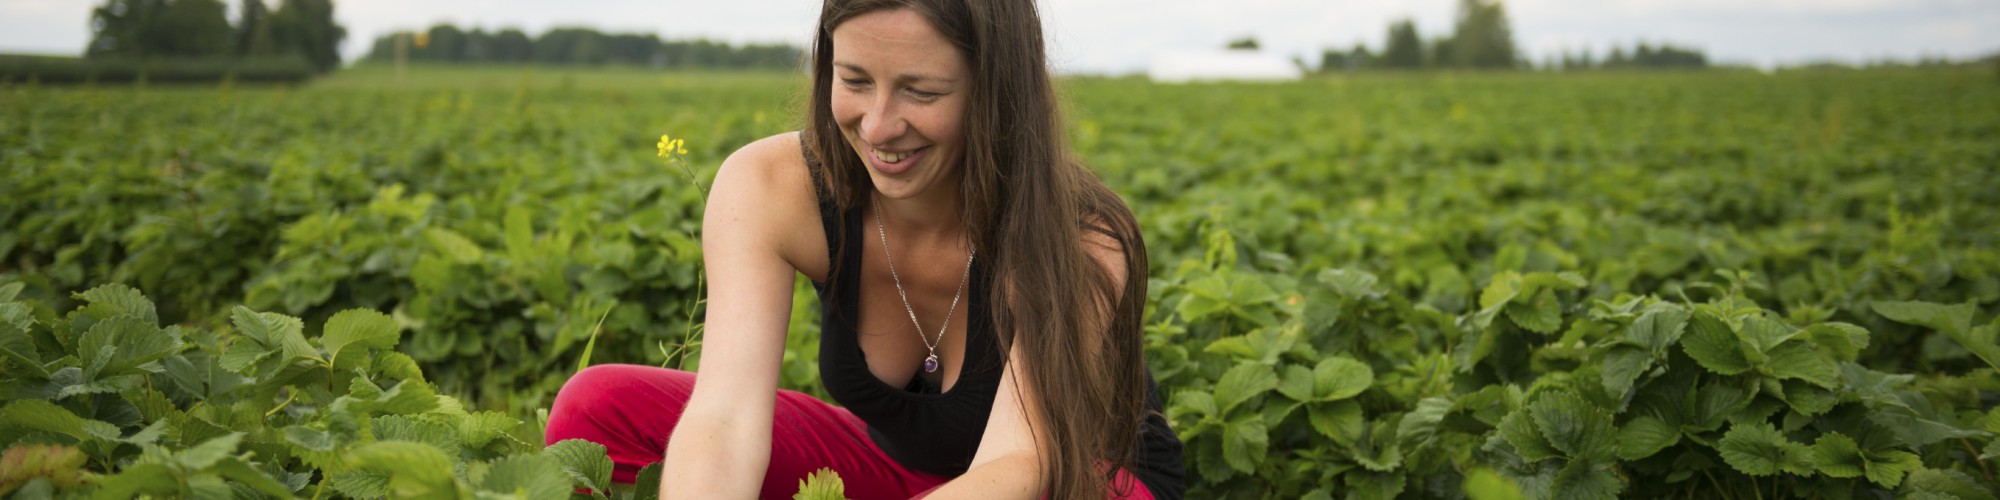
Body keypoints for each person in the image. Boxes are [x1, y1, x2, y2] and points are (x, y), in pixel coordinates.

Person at [543, 0, 1185, 498]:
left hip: (1068, 480)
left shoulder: (1078, 235)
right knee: (598, 408)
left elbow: (1016, 465)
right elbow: (725, 417)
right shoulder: (771, 186)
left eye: (922, 92)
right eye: (854, 79)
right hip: (893, 470)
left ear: (996, 93)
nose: (878, 126)